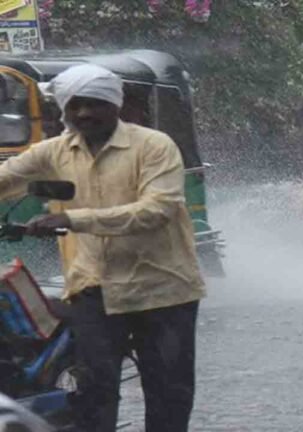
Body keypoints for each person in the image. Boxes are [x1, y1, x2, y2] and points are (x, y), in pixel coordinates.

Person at [0, 64, 206, 430]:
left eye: (94, 104)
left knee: (169, 393)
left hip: (162, 289)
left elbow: (157, 210)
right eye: (75, 106)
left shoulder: (154, 147)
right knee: (95, 392)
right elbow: (9, 176)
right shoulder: (55, 151)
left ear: (115, 105)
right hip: (93, 288)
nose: (84, 113)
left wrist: (74, 219)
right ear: (64, 110)